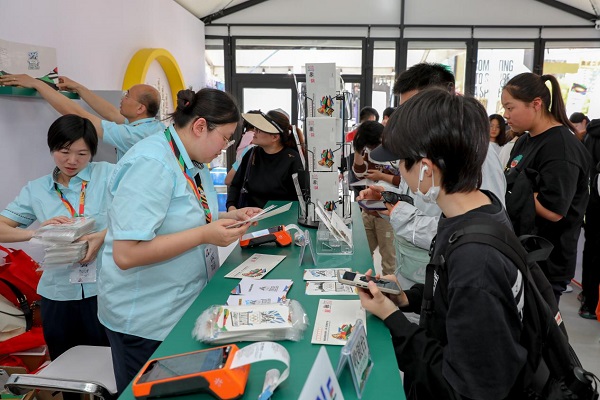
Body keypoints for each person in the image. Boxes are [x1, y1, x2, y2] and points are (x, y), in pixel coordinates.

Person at [358, 88, 526, 400]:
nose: (400, 172)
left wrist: (391, 317)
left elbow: (462, 386)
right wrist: (406, 298)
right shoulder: (475, 213)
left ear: (425, 169)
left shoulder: (476, 261)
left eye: (402, 163)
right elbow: (450, 295)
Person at [98, 88, 260, 394]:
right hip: (146, 319)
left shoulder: (189, 159)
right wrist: (205, 234)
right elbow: (127, 254)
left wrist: (227, 217)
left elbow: (185, 216)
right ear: (200, 126)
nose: (224, 147)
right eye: (225, 138)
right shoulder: (152, 163)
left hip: (180, 303)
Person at [361, 62, 506, 288]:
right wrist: (388, 199)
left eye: (416, 108)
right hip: (415, 277)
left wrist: (401, 215)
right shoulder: (422, 148)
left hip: (446, 281)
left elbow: (472, 229)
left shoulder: (477, 156)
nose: (408, 119)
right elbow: (416, 199)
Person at [0, 115, 113, 393]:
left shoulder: (110, 175)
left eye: (82, 154)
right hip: (58, 294)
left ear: (92, 152)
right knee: (67, 374)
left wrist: (102, 235)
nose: (72, 160)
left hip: (106, 290)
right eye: (64, 151)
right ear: (52, 148)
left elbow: (138, 217)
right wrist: (36, 233)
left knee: (109, 370)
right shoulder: (37, 189)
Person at [502, 72, 590, 304]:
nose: (506, 115)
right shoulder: (525, 140)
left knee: (538, 326)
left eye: (510, 108)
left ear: (536, 104)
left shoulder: (561, 148)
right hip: (520, 253)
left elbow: (553, 210)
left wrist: (518, 191)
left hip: (545, 263)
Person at [0, 74, 165, 160]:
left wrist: (37, 84)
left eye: (127, 95)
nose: (123, 98)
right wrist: (79, 88)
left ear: (140, 108)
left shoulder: (135, 136)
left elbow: (79, 114)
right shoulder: (151, 127)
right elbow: (111, 113)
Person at [226, 109, 306, 210]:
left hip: (282, 217)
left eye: (260, 129)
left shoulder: (293, 160)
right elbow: (235, 185)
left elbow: (302, 198)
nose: (254, 131)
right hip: (250, 217)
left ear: (275, 137)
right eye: (255, 127)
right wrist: (231, 207)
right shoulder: (251, 154)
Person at [353, 121, 400, 276]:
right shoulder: (368, 151)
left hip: (388, 211)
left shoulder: (396, 152)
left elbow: (404, 182)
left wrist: (381, 176)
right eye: (369, 146)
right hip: (369, 209)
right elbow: (359, 173)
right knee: (363, 253)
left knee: (389, 259)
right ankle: (364, 284)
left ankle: (389, 289)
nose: (373, 149)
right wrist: (358, 149)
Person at [578, 118, 600, 318]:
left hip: (590, 203)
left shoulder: (589, 134)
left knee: (590, 252)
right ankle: (591, 304)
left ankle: (587, 298)